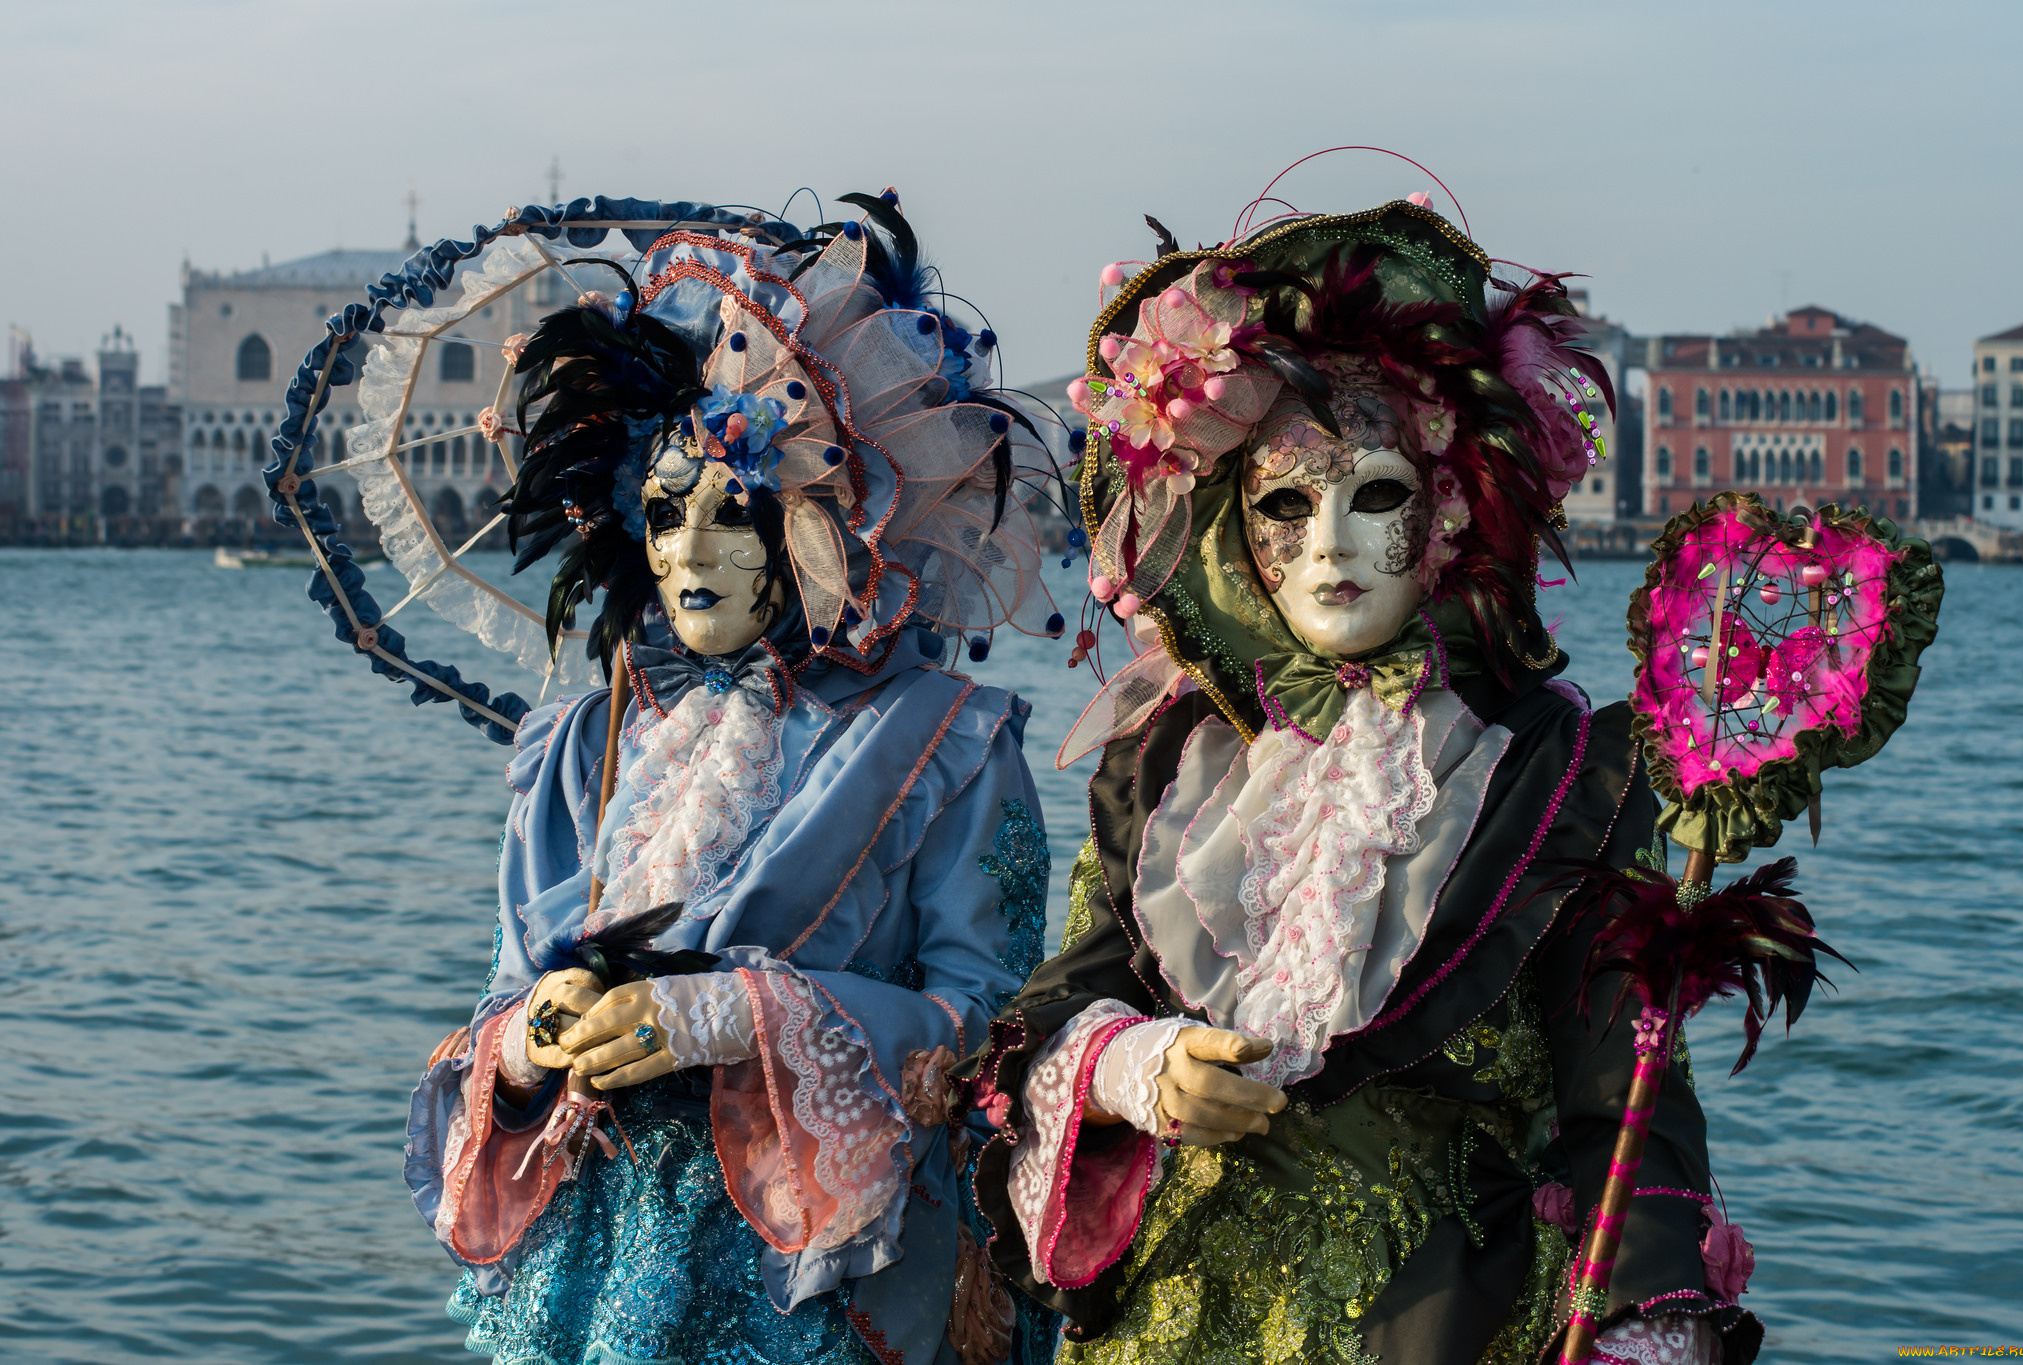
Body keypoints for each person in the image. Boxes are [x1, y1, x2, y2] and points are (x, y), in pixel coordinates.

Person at [964, 197, 1762, 1365]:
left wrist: (1639, 1331)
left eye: (1371, 495)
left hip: (1441, 1313)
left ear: (1448, 510)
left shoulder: (1558, 772)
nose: (1329, 544)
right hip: (1175, 1313)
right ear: (1235, 533)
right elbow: (1059, 1001)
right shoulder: (1168, 766)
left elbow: (1625, 1105)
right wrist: (1139, 1070)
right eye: (1285, 504)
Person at [403, 194, 1064, 1365]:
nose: (691, 554)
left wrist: (724, 1019)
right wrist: (527, 1041)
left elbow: (991, 1033)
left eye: (736, 513)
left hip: (815, 1281)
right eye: (663, 514)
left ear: (818, 526)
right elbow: (502, 987)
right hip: (598, 1266)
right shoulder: (575, 747)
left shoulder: (943, 741)